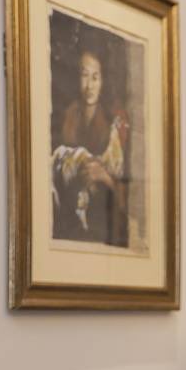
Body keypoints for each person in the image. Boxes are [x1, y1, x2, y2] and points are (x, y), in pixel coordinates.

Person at [50, 46, 130, 246]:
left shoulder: (115, 120)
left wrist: (103, 176)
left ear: (103, 81)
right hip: (69, 217)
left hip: (103, 220)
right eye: (84, 76)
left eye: (95, 77)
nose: (89, 85)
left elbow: (128, 188)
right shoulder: (69, 115)